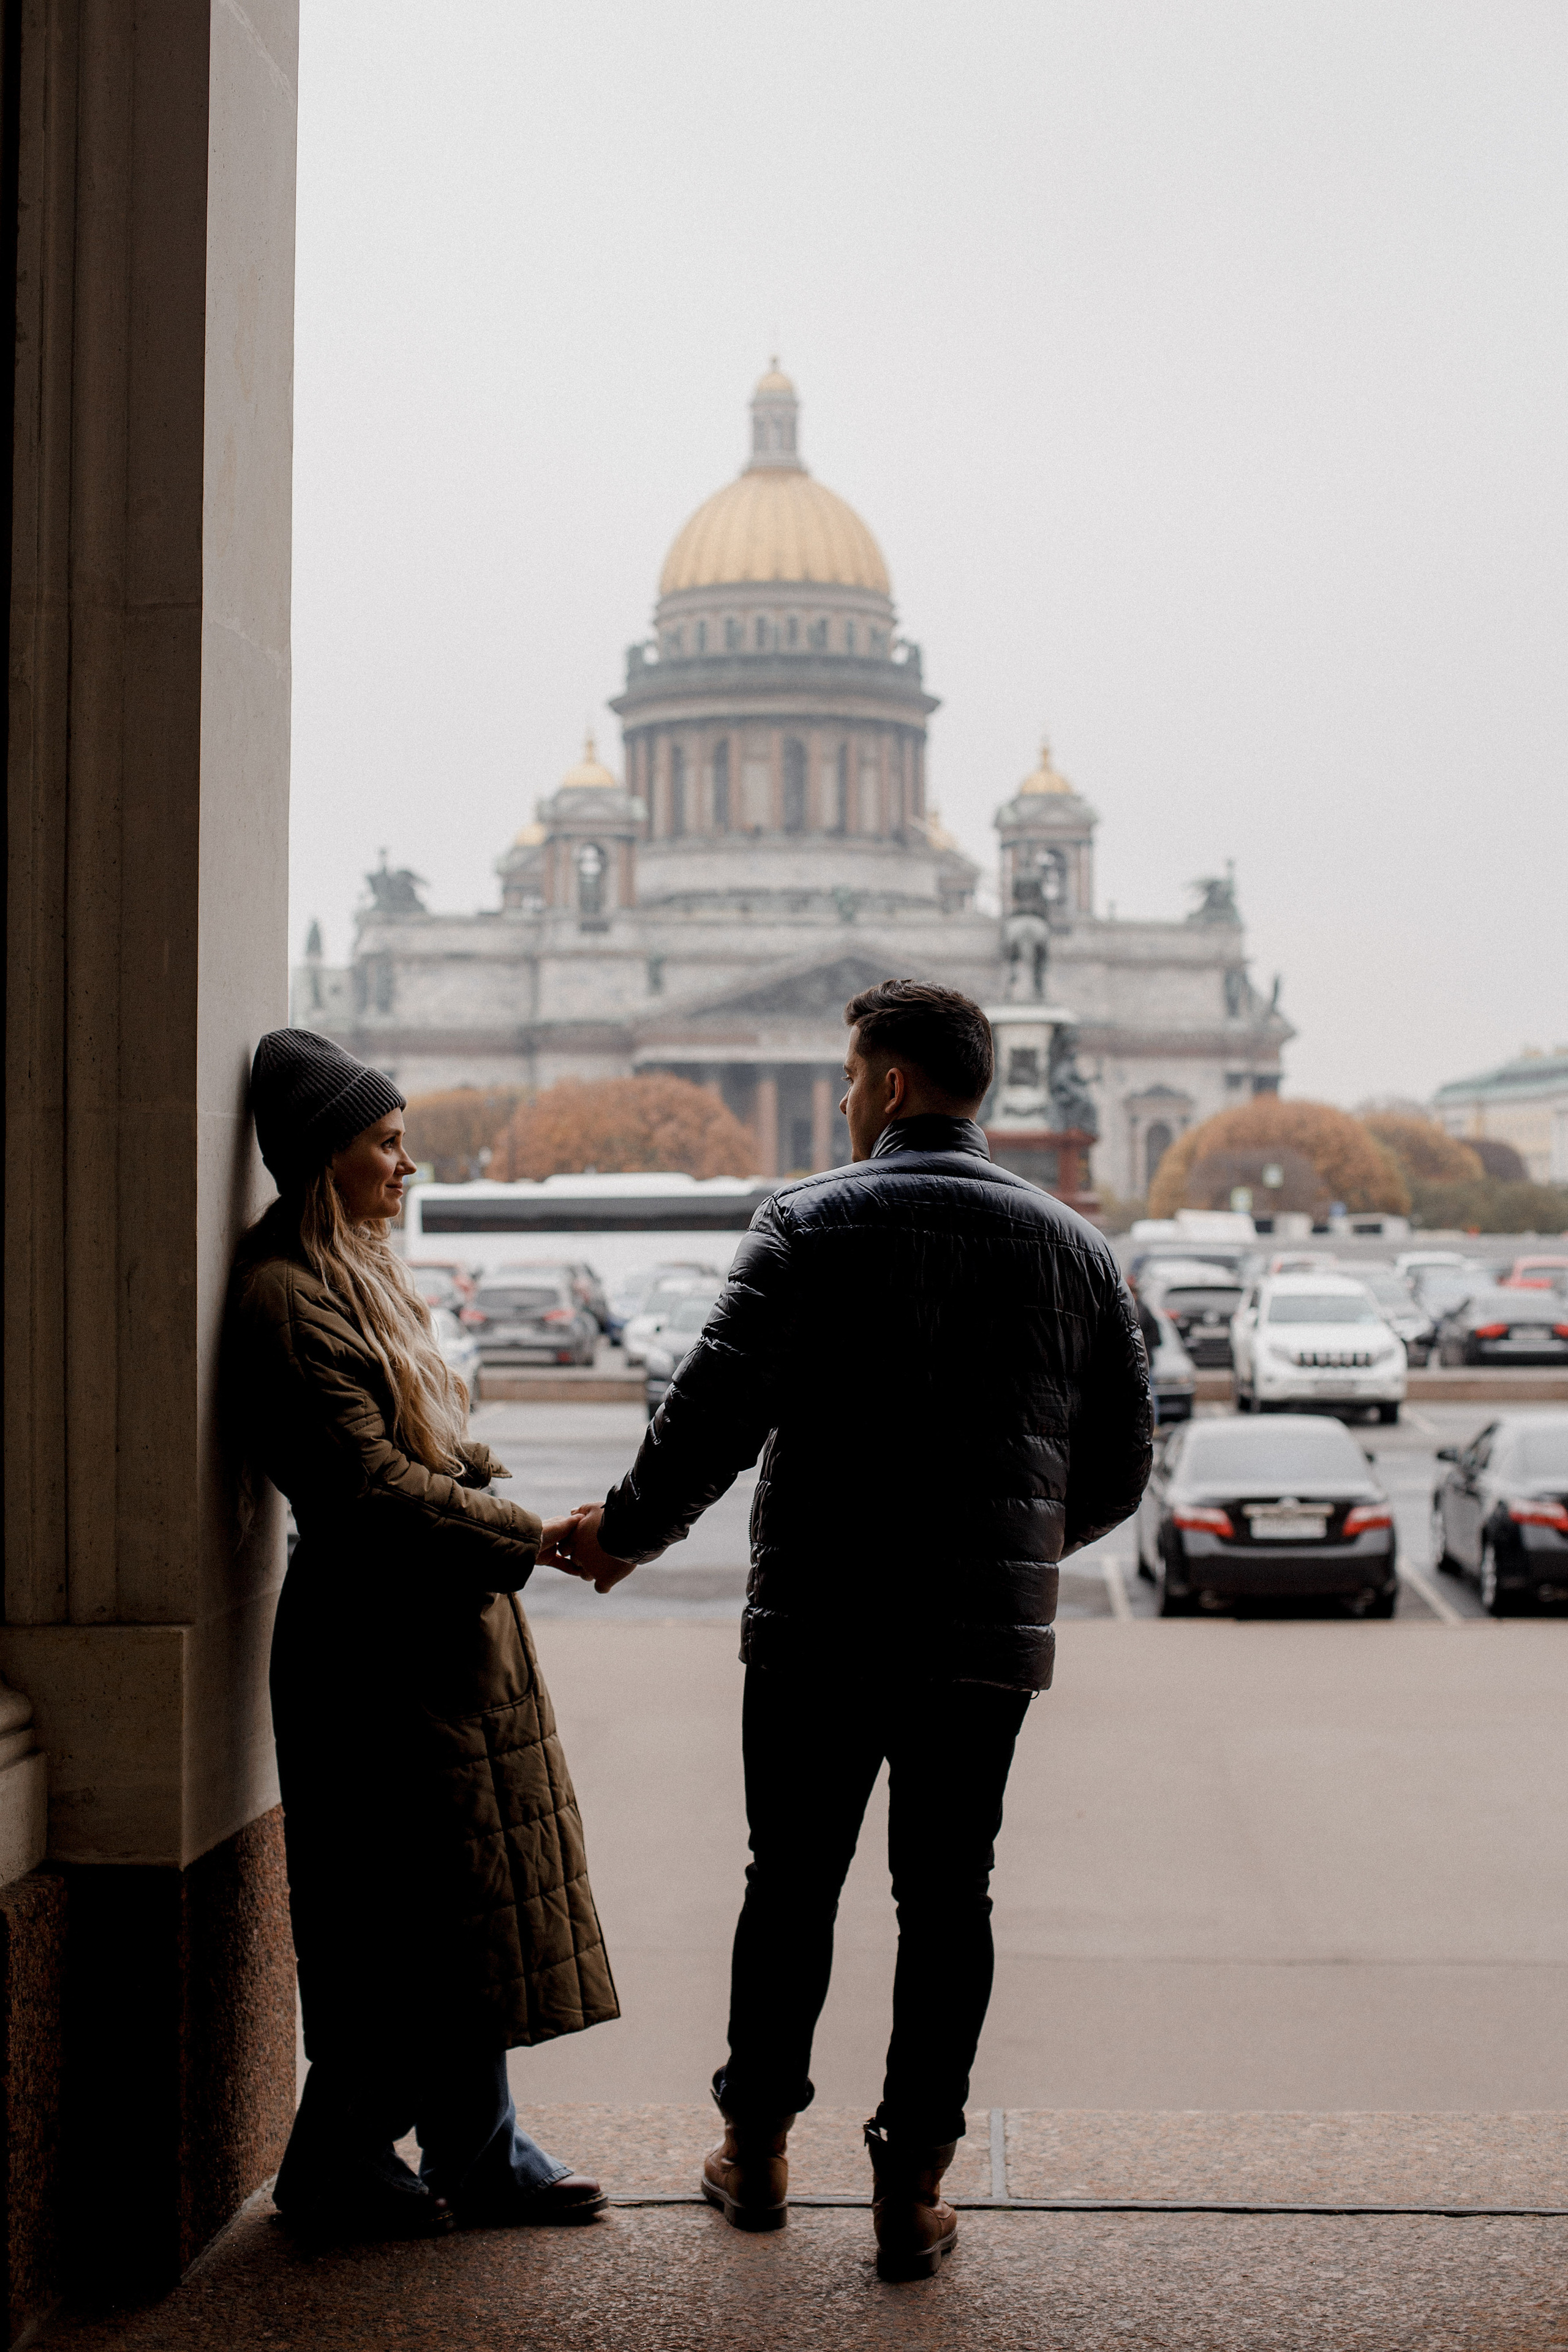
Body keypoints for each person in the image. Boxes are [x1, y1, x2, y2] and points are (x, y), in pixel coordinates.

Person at [544, 979, 1152, 2281]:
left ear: (883, 1085)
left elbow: (705, 1418)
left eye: (844, 1075)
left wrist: (623, 1537)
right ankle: (911, 2184)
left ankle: (755, 2155)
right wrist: (1012, 1556)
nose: (836, 1094)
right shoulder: (1077, 1249)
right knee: (947, 1902)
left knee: (789, 1887)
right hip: (981, 1642)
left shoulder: (804, 1224)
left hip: (818, 1624)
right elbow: (1117, 1468)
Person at [228, 1030, 618, 2244]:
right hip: (375, 1650)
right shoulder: (291, 1299)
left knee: (458, 1904)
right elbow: (368, 1489)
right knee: (400, 1913)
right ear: (321, 1161)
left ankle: (475, 2150)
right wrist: (529, 1535)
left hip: (420, 1640)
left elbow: (414, 1455)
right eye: (386, 1145)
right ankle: (342, 2160)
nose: (407, 1167)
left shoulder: (351, 1276)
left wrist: (484, 1488)